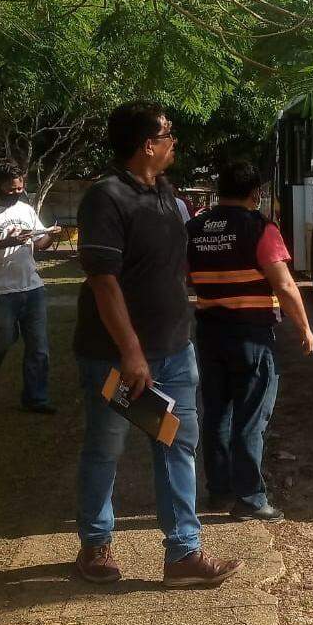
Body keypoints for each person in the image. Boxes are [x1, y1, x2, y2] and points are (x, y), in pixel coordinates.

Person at [72, 101, 238, 588]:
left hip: (173, 350)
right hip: (116, 356)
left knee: (177, 445)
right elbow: (104, 281)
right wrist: (131, 353)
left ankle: (183, 554)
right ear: (148, 144)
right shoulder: (105, 197)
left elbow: (165, 269)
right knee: (107, 447)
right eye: (168, 135)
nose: (174, 143)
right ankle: (95, 546)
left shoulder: (166, 195)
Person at [187, 161, 313, 523]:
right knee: (251, 416)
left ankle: (220, 490)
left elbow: (182, 275)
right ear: (255, 194)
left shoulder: (195, 228)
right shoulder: (260, 228)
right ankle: (251, 499)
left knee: (215, 414)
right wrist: (304, 328)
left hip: (210, 335)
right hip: (251, 338)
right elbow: (285, 285)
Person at [0, 162, 61, 414]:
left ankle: (35, 398)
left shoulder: (27, 209)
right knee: (2, 340)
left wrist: (52, 234)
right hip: (0, 291)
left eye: (20, 188)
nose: (16, 192)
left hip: (32, 288)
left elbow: (40, 243)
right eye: (10, 189)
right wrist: (6, 241)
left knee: (38, 348)